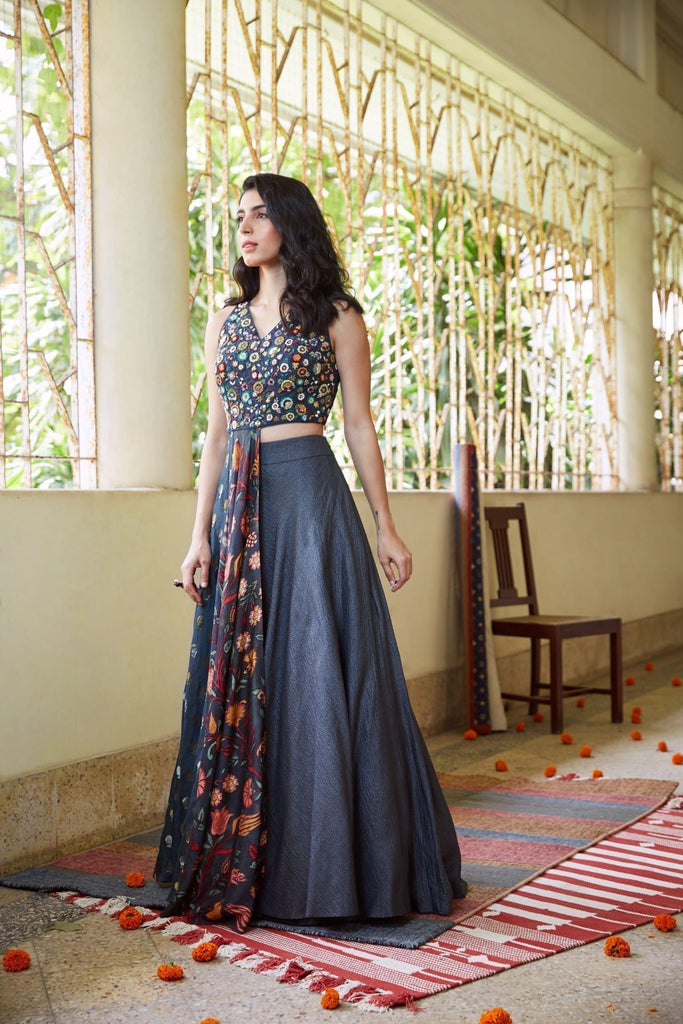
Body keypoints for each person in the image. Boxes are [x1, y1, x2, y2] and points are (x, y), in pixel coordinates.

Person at [155, 172, 467, 931]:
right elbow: (216, 437)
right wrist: (197, 537)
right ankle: (253, 862)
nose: (244, 228)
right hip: (240, 506)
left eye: (259, 214)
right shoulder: (226, 323)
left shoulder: (337, 315)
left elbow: (358, 423)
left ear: (291, 224)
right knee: (248, 677)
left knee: (320, 669)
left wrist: (385, 525)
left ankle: (340, 871)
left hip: (312, 500)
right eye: (239, 216)